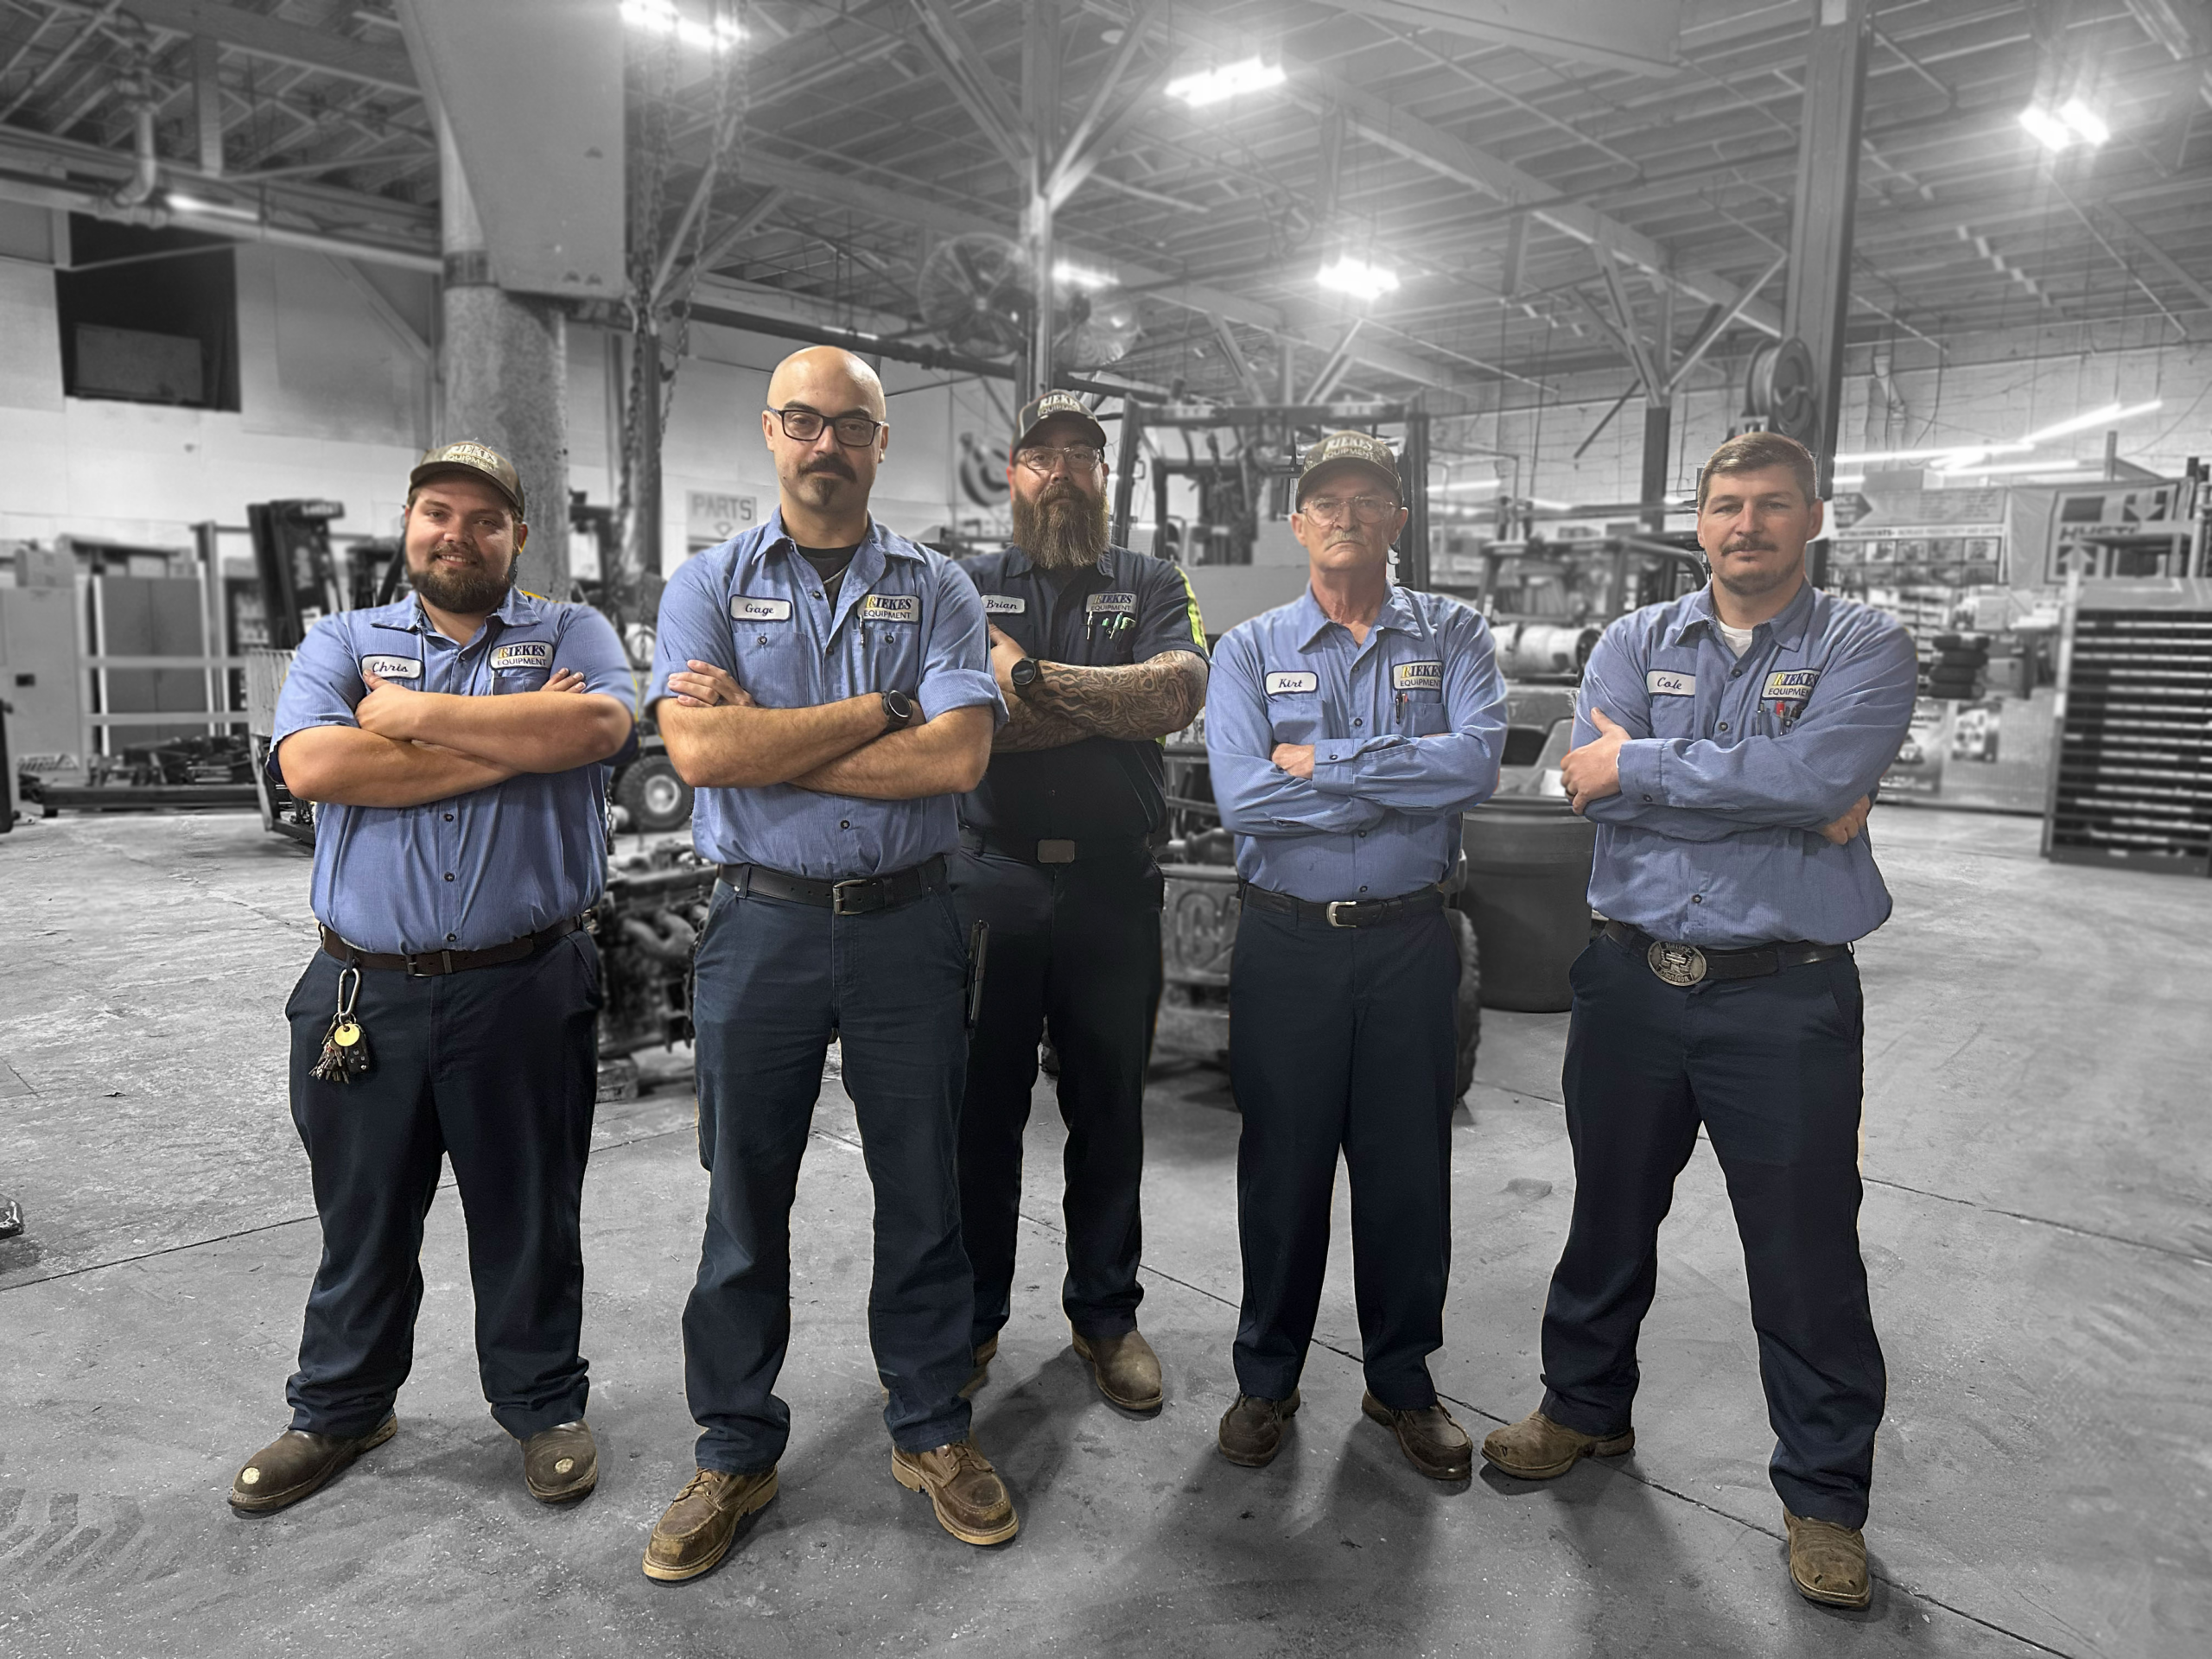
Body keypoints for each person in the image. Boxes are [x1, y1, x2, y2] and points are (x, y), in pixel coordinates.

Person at [1480, 430, 1917, 1612]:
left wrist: (1655, 774)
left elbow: (1820, 780)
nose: (1747, 525)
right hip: (1628, 984)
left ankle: (1824, 1496)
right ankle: (1583, 1409)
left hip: (1784, 993)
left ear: (1812, 518)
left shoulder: (1864, 644)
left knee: (1804, 1248)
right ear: (1699, 518)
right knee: (1607, 1215)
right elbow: (1585, 780)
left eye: (1773, 505)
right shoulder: (1631, 642)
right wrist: (1764, 784)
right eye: (1727, 505)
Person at [641, 346, 1010, 1583]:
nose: (824, 444)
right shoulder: (705, 584)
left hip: (910, 923)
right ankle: (735, 1445)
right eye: (801, 421)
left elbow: (957, 761)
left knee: (924, 1192)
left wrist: (764, 739)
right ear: (769, 431)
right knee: (744, 1201)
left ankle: (928, 1428)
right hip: (763, 926)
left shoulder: (941, 587)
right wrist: (877, 709)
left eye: (848, 425)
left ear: (879, 443)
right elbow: (696, 753)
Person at [232, 441, 637, 1516]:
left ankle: (543, 1403)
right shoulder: (342, 638)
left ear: (517, 536)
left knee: (529, 1213)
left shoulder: (573, 633)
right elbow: (313, 766)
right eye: (437, 512)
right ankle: (342, 1406)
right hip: (362, 991)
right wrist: (520, 742)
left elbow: (598, 726)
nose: (457, 532)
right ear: (409, 525)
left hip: (525, 982)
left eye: (484, 518)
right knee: (361, 1214)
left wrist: (406, 718)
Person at [1204, 431, 1507, 1480]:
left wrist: (1326, 762)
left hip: (1413, 943)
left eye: (1366, 499)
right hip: (1289, 944)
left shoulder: (1456, 634)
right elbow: (1245, 797)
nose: (1344, 515)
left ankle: (1402, 1382)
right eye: (1323, 500)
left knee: (1406, 1171)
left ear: (1397, 522)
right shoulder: (1245, 652)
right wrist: (1398, 775)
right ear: (1297, 525)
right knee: (1279, 1169)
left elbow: (1472, 767)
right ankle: (1266, 1377)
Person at [950, 391, 1209, 1414]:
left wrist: (1025, 680)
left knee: (1109, 1109)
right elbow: (961, 724)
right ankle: (970, 1319)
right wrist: (1098, 703)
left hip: (1112, 887)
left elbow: (1174, 696)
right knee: (980, 1116)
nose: (1060, 470)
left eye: (1080, 455)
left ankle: (1105, 1315)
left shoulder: (1149, 579)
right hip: (989, 883)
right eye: (1039, 454)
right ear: (1010, 473)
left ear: (1105, 476)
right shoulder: (959, 584)